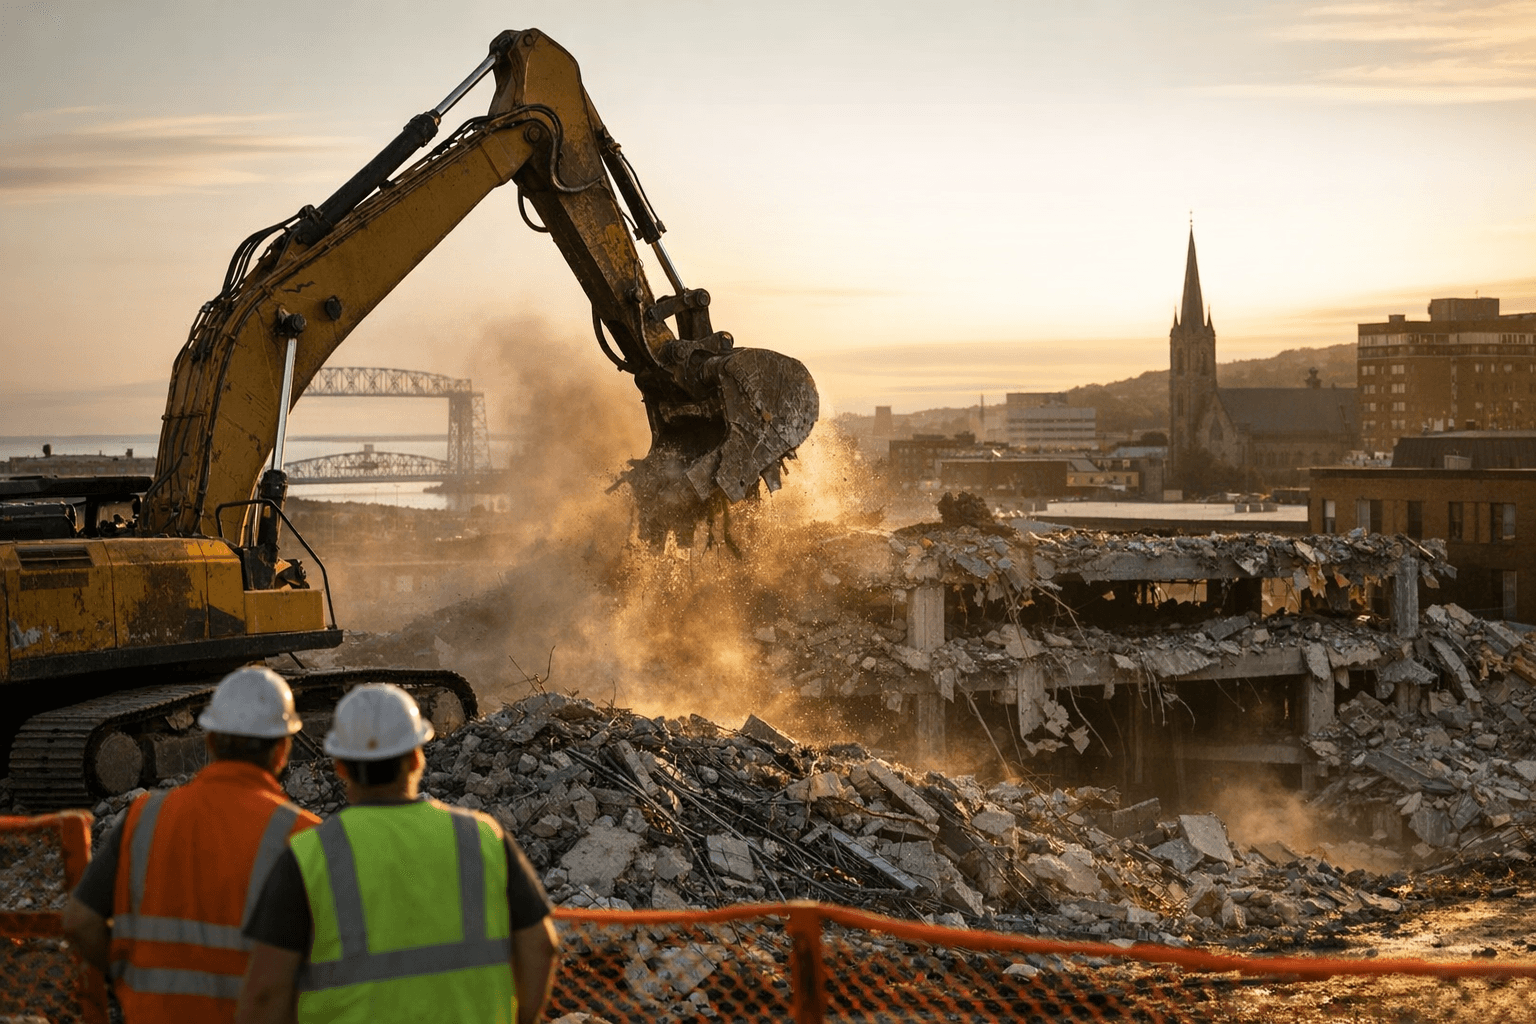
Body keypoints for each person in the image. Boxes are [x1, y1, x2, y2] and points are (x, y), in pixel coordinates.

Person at [236, 683, 558, 1024]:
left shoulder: (309, 855)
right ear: (417, 756)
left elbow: (266, 994)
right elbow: (541, 947)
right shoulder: (481, 838)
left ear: (340, 766)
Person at [62, 666, 320, 1023]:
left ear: (210, 742)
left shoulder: (144, 817)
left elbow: (79, 922)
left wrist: (126, 976)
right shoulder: (303, 835)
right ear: (282, 750)